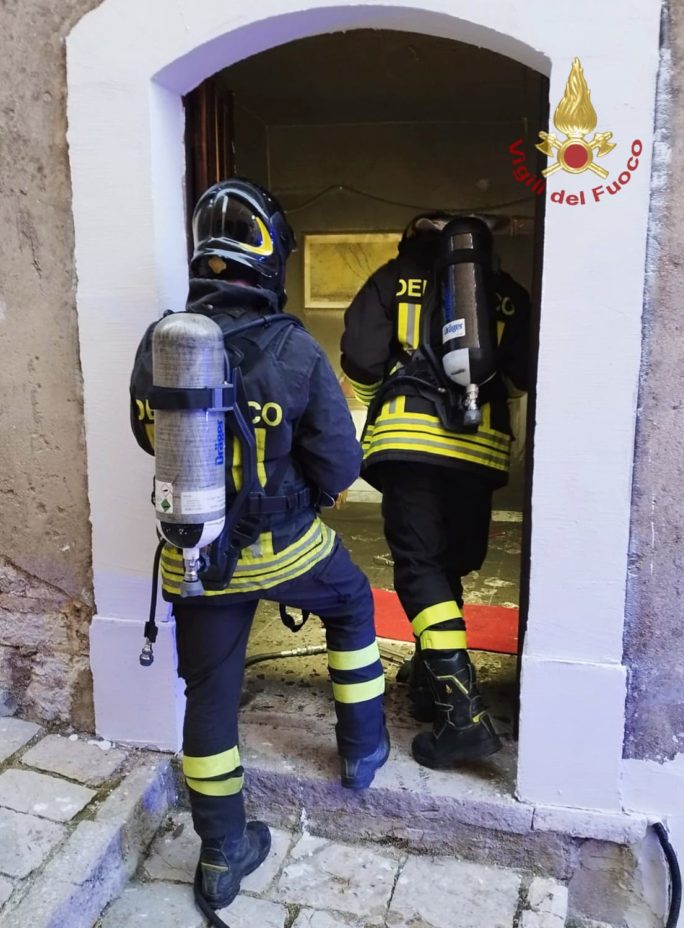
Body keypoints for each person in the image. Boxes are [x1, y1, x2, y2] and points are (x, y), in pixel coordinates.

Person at [130, 178, 388, 913]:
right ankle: (362, 750)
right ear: (270, 259)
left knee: (209, 693)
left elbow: (148, 432)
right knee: (352, 602)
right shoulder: (295, 346)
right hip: (287, 545)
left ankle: (220, 854)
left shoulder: (162, 342)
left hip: (199, 554)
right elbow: (341, 464)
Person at [340, 212, 530, 770]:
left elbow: (362, 361)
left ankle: (461, 714)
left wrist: (390, 393)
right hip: (480, 445)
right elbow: (520, 373)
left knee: (419, 565)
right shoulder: (504, 291)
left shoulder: (392, 278)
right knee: (448, 563)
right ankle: (430, 677)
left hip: (410, 439)